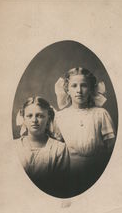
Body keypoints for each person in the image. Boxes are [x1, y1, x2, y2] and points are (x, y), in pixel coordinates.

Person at [54, 67, 116, 196]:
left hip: (98, 173)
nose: (79, 90)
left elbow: (112, 149)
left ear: (91, 89)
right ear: (67, 90)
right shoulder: (60, 117)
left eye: (84, 85)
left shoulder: (100, 114)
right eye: (74, 86)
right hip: (70, 175)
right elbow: (58, 150)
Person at [15, 96, 70, 198]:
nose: (34, 120)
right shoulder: (14, 147)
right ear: (23, 119)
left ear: (48, 118)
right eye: (29, 116)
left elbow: (61, 186)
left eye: (40, 116)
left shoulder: (59, 149)